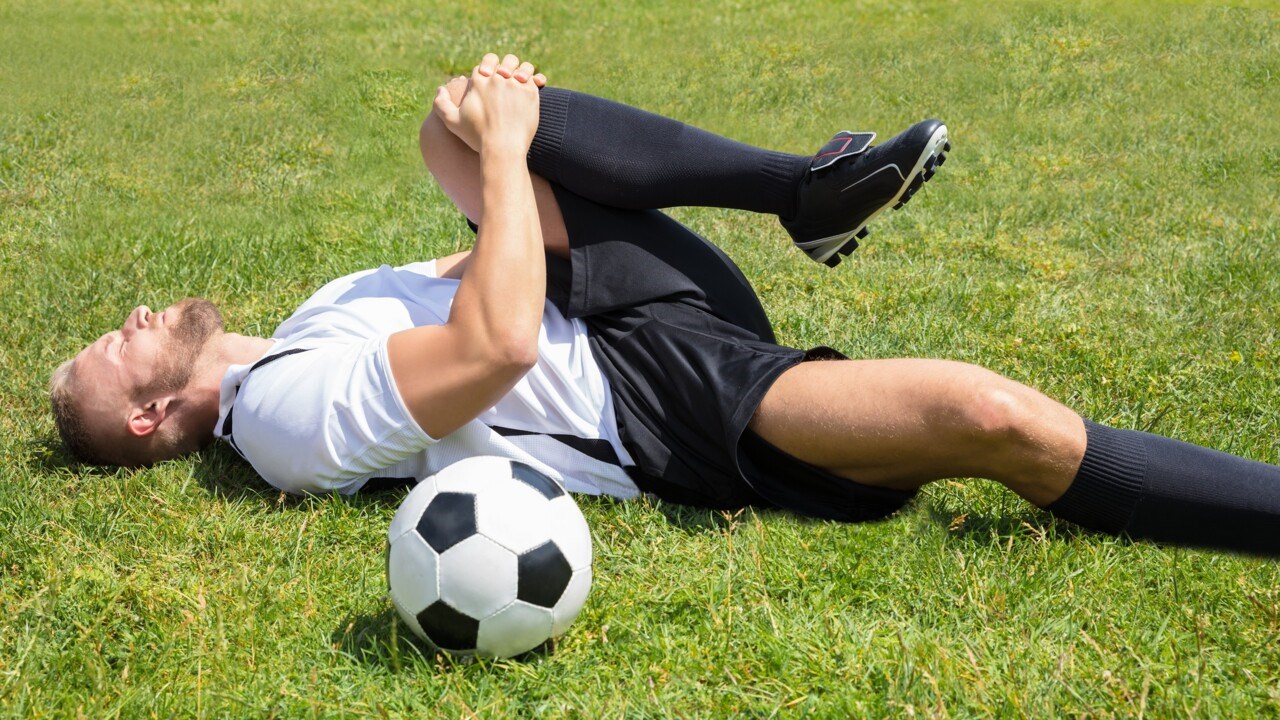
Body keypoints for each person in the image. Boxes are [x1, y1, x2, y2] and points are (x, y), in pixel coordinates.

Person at [50, 53, 1280, 555]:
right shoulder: (281, 418)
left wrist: (495, 150)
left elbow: (482, 275)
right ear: (152, 418)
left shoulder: (318, 316)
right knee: (995, 420)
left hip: (623, 306)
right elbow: (495, 344)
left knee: (452, 116)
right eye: (123, 345)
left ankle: (805, 189)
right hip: (657, 400)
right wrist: (508, 160)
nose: (141, 313)